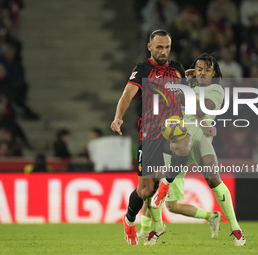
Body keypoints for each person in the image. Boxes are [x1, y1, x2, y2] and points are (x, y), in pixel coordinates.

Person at [138, 53, 246, 246]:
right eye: (199, 69)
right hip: (179, 140)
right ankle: (154, 228)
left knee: (214, 179)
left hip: (200, 138)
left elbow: (203, 108)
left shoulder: (216, 89)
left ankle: (236, 229)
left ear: (214, 73)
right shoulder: (188, 86)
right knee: (158, 186)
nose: (202, 72)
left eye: (207, 69)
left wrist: (180, 86)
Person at [111, 29, 196, 245]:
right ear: (150, 47)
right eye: (159, 47)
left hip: (171, 130)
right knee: (146, 189)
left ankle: (167, 183)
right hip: (149, 135)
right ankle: (129, 221)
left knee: (185, 145)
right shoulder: (142, 70)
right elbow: (127, 94)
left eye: (167, 47)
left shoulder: (177, 68)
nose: (163, 51)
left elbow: (183, 94)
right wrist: (118, 117)